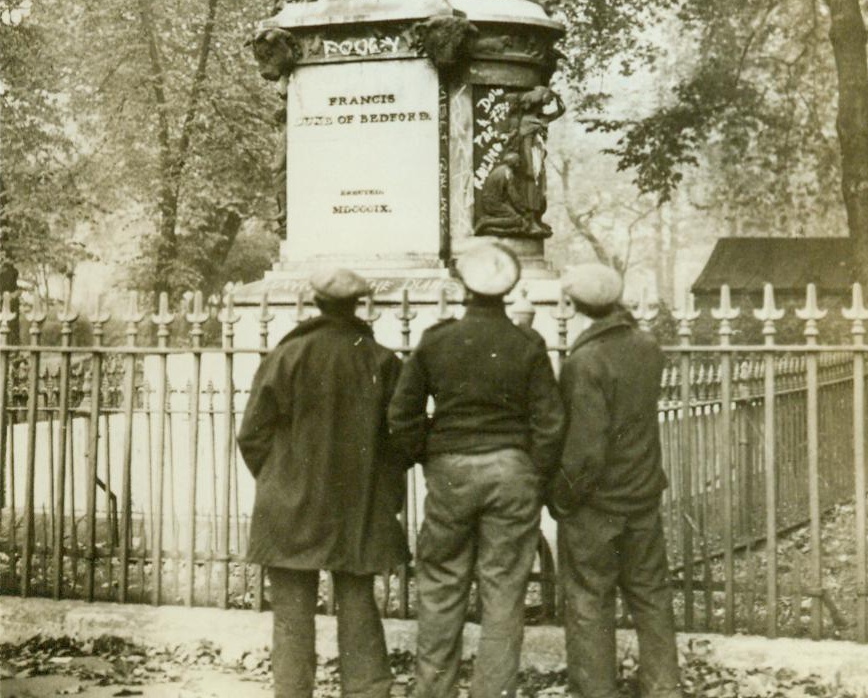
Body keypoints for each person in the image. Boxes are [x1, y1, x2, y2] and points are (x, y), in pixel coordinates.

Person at [388, 241, 565, 698]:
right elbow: (550, 422)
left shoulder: (436, 339)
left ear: (463, 285)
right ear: (509, 288)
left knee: (442, 585)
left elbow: (402, 416)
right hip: (512, 471)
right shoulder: (527, 343)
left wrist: (428, 454)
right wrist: (534, 473)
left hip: (450, 471)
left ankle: (433, 692)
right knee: (504, 590)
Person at [237, 268, 408, 698]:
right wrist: (381, 489)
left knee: (292, 613)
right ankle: (368, 691)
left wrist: (281, 477)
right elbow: (399, 442)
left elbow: (252, 434)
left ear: (316, 302)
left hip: (291, 504)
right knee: (358, 602)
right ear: (357, 305)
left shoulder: (285, 356)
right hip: (358, 502)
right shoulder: (383, 361)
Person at [549, 264, 682, 698]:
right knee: (651, 596)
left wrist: (562, 499)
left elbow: (586, 450)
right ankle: (663, 688)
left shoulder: (583, 362)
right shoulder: (647, 346)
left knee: (589, 601)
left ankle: (595, 691)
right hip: (642, 495)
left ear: (575, 305)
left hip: (598, 506)